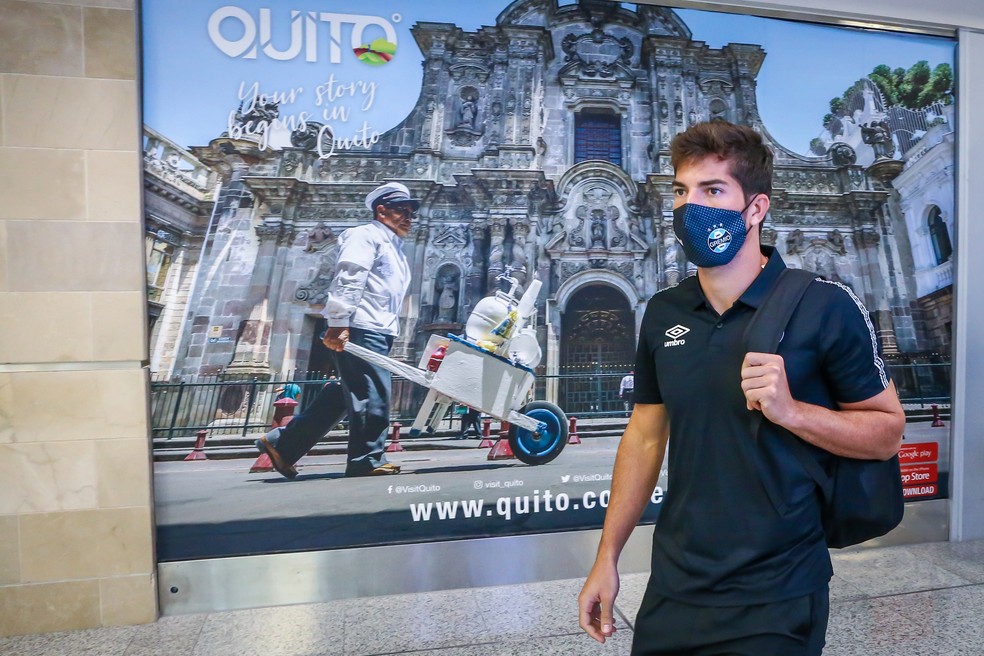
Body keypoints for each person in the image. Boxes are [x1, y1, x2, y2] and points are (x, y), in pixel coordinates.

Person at [578, 121, 905, 655]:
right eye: (682, 191)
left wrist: (792, 411)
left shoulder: (825, 305)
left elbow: (887, 433)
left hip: (777, 592)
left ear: (755, 209)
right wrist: (607, 556)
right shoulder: (664, 312)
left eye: (712, 191)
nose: (689, 207)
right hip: (675, 585)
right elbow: (643, 436)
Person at [256, 182, 418, 479]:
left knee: (346, 393)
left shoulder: (395, 245)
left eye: (411, 212)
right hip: (361, 326)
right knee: (373, 395)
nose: (409, 216)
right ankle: (366, 459)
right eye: (401, 210)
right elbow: (349, 276)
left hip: (378, 328)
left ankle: (283, 443)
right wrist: (339, 322)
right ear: (381, 210)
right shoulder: (365, 235)